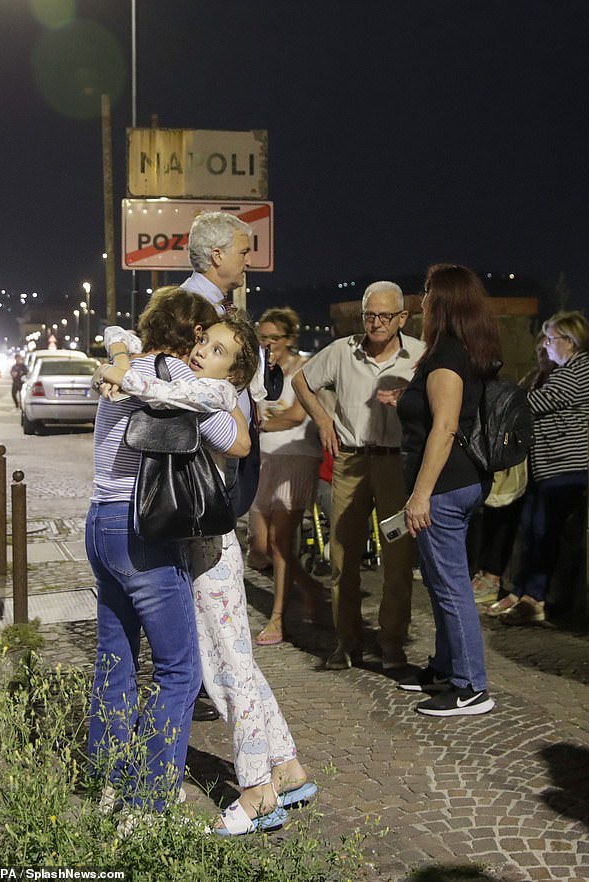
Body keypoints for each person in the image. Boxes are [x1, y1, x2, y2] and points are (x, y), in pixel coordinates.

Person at [102, 314, 316, 837]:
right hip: (194, 553)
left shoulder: (211, 395)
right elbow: (125, 343)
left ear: (236, 374)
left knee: (227, 674)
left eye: (219, 351)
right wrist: (122, 354)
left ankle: (258, 792)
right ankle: (286, 767)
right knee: (234, 665)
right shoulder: (198, 385)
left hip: (209, 557)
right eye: (205, 342)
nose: (203, 354)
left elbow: (157, 390)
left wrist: (122, 373)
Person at [86, 287, 250, 823]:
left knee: (115, 661)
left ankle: (107, 781)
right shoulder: (172, 374)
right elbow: (231, 439)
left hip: (99, 523)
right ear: (196, 336)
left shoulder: (126, 365)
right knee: (178, 670)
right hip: (143, 531)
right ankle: (150, 802)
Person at [292, 281, 424, 672]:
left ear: (402, 317)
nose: (376, 323)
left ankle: (391, 640)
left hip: (395, 464)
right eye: (370, 315)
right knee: (343, 556)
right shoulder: (343, 351)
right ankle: (346, 640)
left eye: (385, 315)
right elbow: (301, 380)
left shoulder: (418, 355)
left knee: (398, 559)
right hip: (351, 461)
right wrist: (322, 420)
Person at [395, 264, 501, 716]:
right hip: (459, 482)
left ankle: (470, 685)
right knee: (442, 583)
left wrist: (420, 495)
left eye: (426, 293)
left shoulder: (446, 355)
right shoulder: (464, 351)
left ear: (442, 302)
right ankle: (444, 668)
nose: (421, 301)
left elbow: (446, 428)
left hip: (444, 486)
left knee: (451, 586)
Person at [497, 310, 589, 625]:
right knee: (533, 530)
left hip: (564, 470)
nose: (546, 345)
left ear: (569, 342)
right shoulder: (570, 371)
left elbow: (529, 405)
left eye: (551, 339)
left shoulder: (574, 373)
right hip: (552, 470)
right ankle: (525, 594)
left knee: (543, 534)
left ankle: (533, 600)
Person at [247, 307, 324, 646]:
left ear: (290, 339)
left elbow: (295, 416)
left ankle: (278, 620)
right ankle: (311, 586)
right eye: (261, 338)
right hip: (263, 458)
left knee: (281, 542)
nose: (267, 345)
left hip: (295, 457)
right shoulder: (258, 373)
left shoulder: (305, 370)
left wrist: (257, 426)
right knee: (260, 546)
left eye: (273, 339)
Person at [470, 332, 556, 606]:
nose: (542, 352)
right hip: (520, 460)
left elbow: (518, 407)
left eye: (548, 347)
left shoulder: (559, 380)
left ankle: (495, 578)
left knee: (510, 518)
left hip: (540, 465)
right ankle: (487, 575)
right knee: (493, 514)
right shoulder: (533, 377)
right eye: (540, 347)